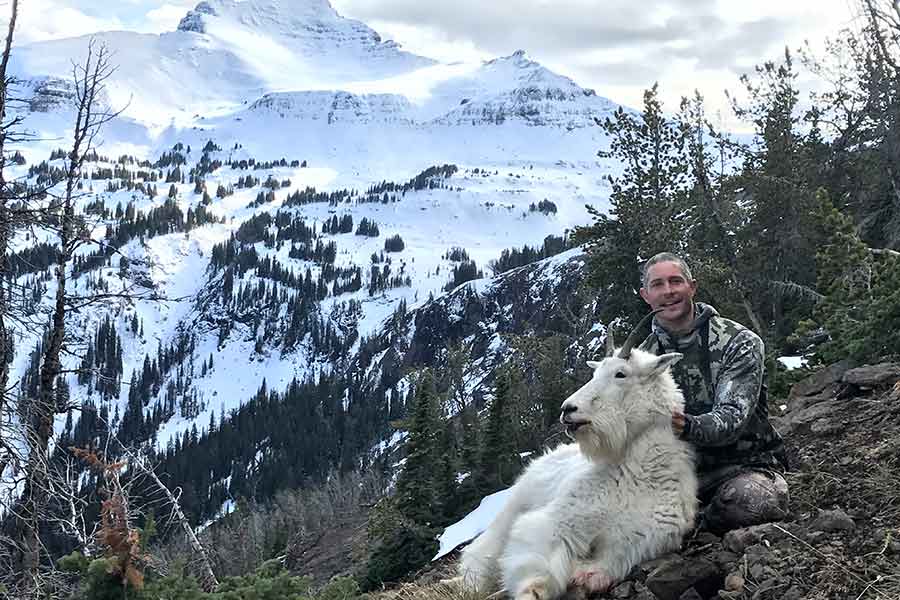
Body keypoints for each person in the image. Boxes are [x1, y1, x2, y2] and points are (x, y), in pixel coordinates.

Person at [636, 252, 789, 534]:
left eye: (675, 281)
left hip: (741, 464)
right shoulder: (639, 360)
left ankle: (694, 528)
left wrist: (685, 426)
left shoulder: (738, 341)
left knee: (754, 501)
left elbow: (732, 418)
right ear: (646, 295)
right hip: (674, 474)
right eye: (658, 285)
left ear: (692, 286)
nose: (668, 291)